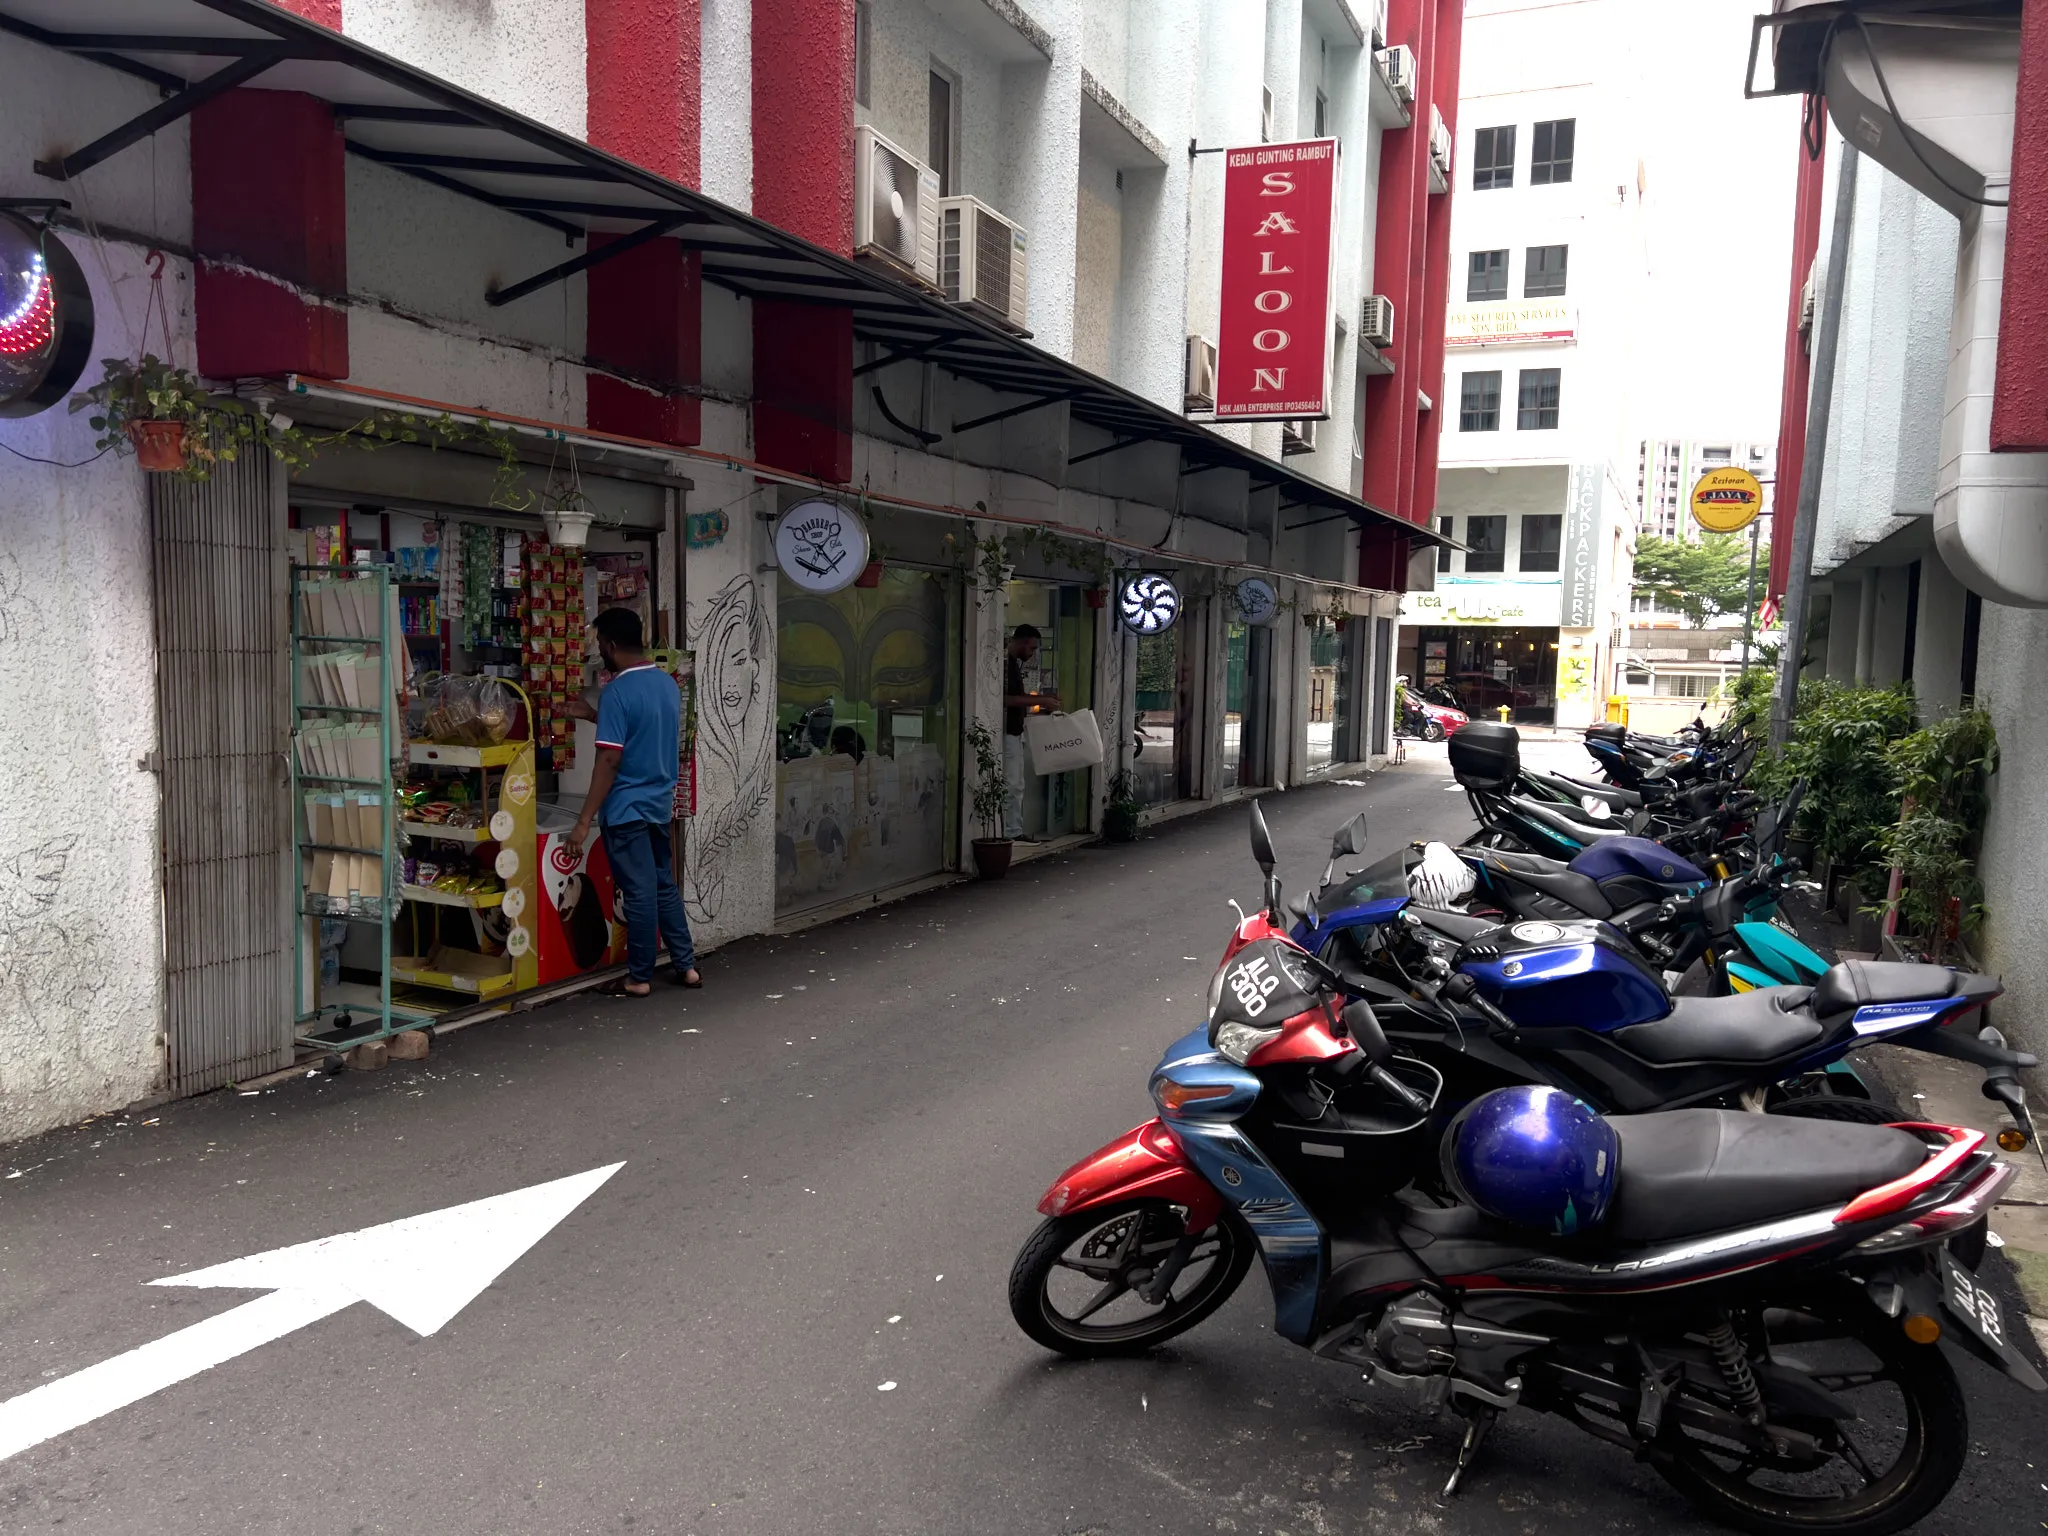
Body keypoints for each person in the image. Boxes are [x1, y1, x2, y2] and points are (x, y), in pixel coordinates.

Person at [565, 608, 701, 994]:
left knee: (639, 892)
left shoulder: (618, 692)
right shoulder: (666, 684)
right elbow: (642, 732)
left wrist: (583, 820)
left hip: (626, 809)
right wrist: (594, 715)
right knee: (662, 886)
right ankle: (686, 965)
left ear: (608, 644)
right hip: (659, 802)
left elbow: (611, 759)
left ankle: (639, 977)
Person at [1002, 624, 1060, 839]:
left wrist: (1038, 701)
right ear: (1024, 642)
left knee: (1016, 783)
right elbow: (1006, 700)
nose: (1033, 653)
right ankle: (1011, 832)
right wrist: (1041, 700)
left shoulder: (1013, 664)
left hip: (1014, 730)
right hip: (1008, 730)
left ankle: (1013, 830)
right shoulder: (1007, 665)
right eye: (1033, 648)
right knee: (1012, 783)